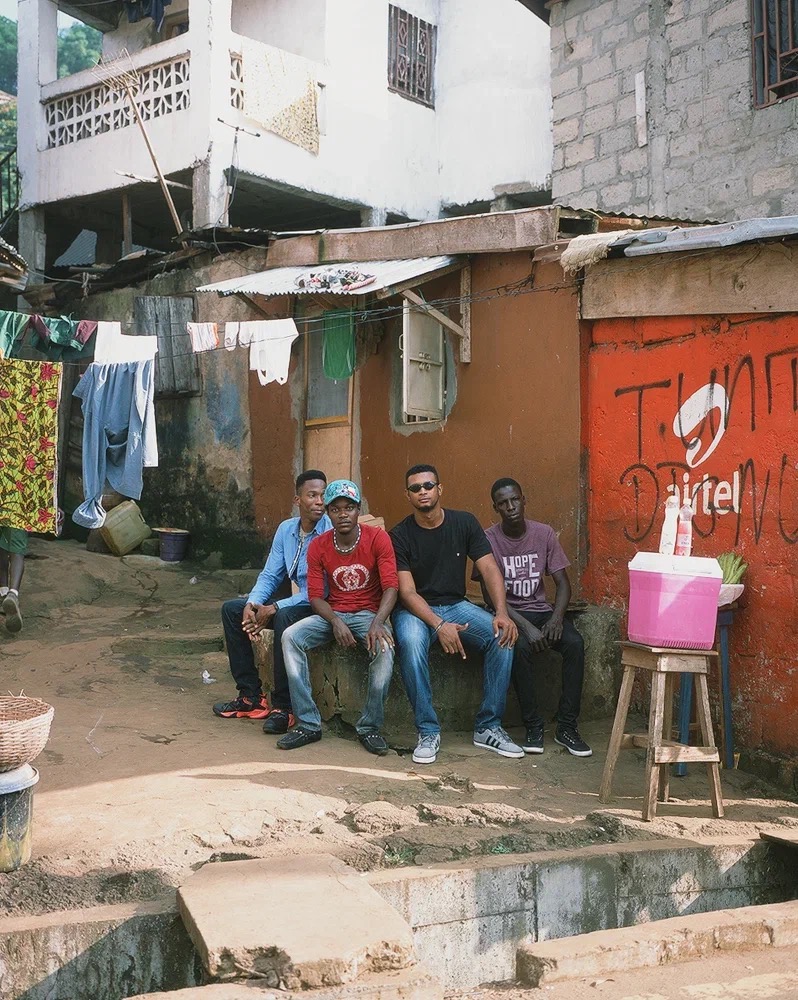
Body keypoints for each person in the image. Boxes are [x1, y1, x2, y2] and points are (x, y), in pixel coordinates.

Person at [389, 464, 524, 765]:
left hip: (456, 605)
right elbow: (407, 593)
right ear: (408, 495)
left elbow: (489, 568)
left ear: (440, 489)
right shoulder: (399, 535)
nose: (423, 492)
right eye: (415, 488)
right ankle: (427, 731)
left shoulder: (464, 522)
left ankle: (488, 727)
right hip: (415, 610)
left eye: (428, 485)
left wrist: (502, 612)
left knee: (502, 635)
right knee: (411, 643)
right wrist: (440, 625)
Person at [277, 480, 398, 755]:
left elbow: (391, 586)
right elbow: (315, 597)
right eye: (336, 509)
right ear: (328, 513)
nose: (343, 514)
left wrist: (378, 623)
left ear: (358, 510)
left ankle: (369, 727)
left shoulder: (377, 538)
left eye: (349, 508)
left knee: (384, 648)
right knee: (290, 636)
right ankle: (308, 723)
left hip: (369, 614)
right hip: (333, 613)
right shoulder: (319, 545)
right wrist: (335, 622)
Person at [479, 478, 591, 757]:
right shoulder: (488, 539)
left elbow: (563, 584)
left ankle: (567, 726)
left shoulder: (544, 534)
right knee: (516, 647)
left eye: (515, 500)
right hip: (510, 615)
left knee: (575, 644)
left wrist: (556, 619)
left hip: (542, 613)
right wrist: (525, 627)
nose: (511, 507)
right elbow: (489, 595)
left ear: (523, 500)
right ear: (495, 508)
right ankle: (533, 725)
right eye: (503, 503)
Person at [213, 471, 331, 729]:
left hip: (323, 605)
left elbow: (319, 591)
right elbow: (270, 574)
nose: (319, 502)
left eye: (323, 495)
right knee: (232, 610)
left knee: (283, 617)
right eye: (312, 495)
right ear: (297, 500)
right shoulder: (287, 529)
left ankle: (283, 706)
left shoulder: (329, 532)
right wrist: (252, 603)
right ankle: (251, 697)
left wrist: (275, 607)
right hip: (298, 601)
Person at [0, 527, 27, 633]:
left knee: (1, 544)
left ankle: (3, 592)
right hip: (17, 516)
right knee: (17, 547)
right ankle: (13, 593)